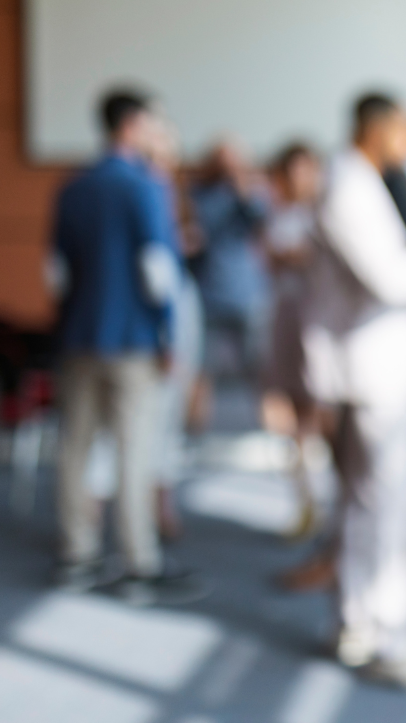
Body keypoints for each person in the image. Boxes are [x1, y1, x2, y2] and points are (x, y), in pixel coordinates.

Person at [301, 92, 406, 695]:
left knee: (361, 504)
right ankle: (391, 637)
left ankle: (356, 622)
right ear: (380, 129)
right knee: (389, 511)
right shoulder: (349, 186)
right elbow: (393, 279)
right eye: (405, 130)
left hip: (366, 368)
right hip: (375, 373)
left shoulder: (358, 180)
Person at [48, 89, 205, 605]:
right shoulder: (144, 186)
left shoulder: (73, 186)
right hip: (133, 339)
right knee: (135, 449)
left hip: (79, 337)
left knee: (75, 447)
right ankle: (138, 561)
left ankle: (78, 553)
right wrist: (165, 332)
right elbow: (158, 269)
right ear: (135, 125)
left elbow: (56, 272)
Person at [143, 113, 206, 543]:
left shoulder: (174, 196)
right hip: (151, 316)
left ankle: (161, 505)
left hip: (179, 305)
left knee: (170, 414)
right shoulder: (137, 193)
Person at [261, 142, 324, 540]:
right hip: (288, 321)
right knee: (289, 414)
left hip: (319, 324)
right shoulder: (279, 217)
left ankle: (323, 499)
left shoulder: (324, 215)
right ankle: (305, 499)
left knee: (320, 414)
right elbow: (275, 259)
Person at [190, 139, 270, 425]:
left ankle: (268, 431)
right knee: (202, 371)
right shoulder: (197, 194)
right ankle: (195, 433)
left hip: (248, 294)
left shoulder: (252, 192)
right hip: (208, 293)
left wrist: (242, 184)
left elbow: (262, 219)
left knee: (261, 370)